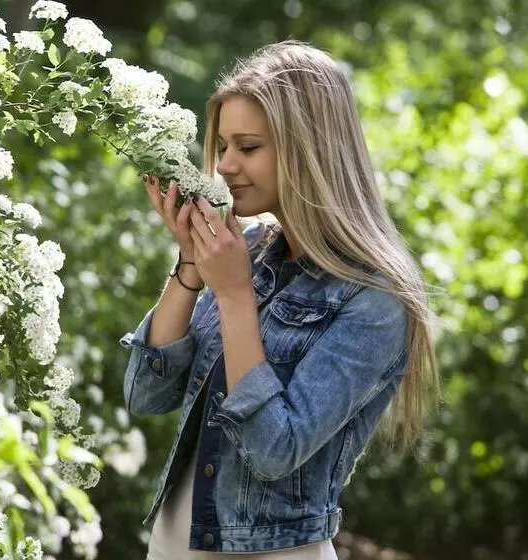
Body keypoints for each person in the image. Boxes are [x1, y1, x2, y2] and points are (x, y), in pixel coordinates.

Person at [120, 40, 439, 559]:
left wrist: (234, 294)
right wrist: (190, 266)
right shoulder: (250, 253)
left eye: (247, 147)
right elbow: (145, 396)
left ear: (310, 149)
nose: (224, 165)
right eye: (221, 146)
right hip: (172, 545)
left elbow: (274, 450)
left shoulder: (377, 299)